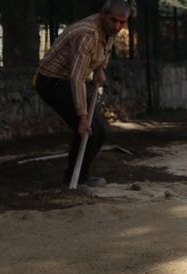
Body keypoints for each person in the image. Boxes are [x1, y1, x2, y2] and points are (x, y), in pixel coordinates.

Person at [34, 0, 130, 188]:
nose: (117, 26)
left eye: (122, 22)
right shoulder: (87, 34)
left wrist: (100, 68)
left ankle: (78, 175)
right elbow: (77, 78)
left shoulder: (108, 30)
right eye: (114, 20)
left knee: (99, 131)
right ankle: (76, 178)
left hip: (68, 80)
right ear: (102, 14)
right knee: (88, 129)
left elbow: (104, 50)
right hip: (52, 81)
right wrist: (83, 117)